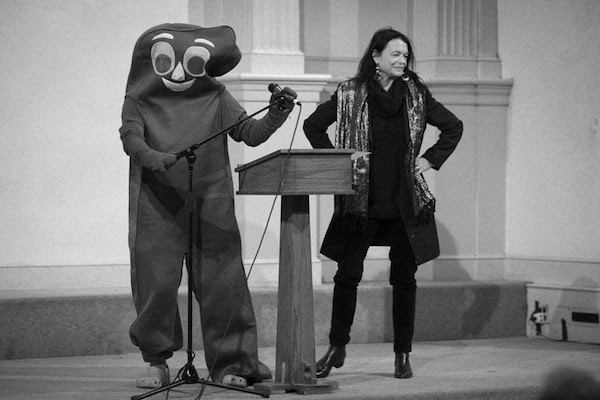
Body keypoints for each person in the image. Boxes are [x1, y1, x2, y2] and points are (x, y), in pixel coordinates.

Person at [118, 23, 294, 389]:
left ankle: (231, 363)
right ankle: (157, 362)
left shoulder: (216, 97)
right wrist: (152, 157)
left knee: (223, 284)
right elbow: (130, 137)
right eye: (167, 62)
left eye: (192, 63)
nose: (180, 72)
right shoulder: (139, 100)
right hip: (156, 204)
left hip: (211, 201)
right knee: (157, 286)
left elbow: (249, 133)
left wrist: (277, 114)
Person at [303, 27, 462, 379]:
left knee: (404, 279)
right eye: (395, 54)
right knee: (348, 275)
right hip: (362, 200)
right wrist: (339, 158)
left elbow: (453, 126)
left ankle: (402, 353)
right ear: (375, 56)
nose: (402, 60)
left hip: (405, 201)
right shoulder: (349, 93)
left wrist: (430, 159)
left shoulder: (416, 95)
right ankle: (337, 347)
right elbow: (313, 126)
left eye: (405, 55)